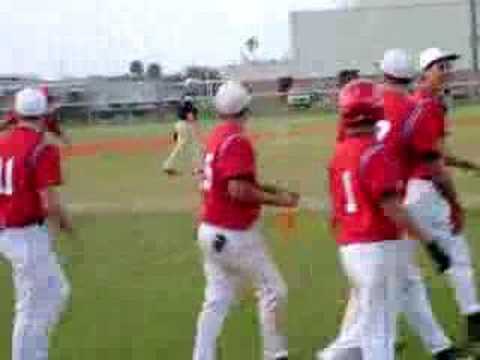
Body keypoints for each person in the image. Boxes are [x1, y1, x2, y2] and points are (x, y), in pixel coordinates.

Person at [319, 50, 456, 360]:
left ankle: (440, 346)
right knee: (378, 331)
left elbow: (339, 197)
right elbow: (394, 205)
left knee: (377, 315)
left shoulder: (341, 151)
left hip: (351, 244)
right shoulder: (378, 148)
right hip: (378, 242)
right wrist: (431, 242)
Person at [193, 81, 299, 360]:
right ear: (245, 108)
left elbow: (234, 181)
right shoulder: (237, 140)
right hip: (234, 233)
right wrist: (280, 201)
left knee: (216, 299)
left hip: (209, 229)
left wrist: (271, 189)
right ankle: (274, 354)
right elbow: (238, 189)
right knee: (273, 291)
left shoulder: (216, 137)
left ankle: (202, 356)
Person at [410, 47, 480, 344]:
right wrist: (454, 203)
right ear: (425, 72)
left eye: (447, 65)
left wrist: (466, 164)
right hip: (423, 190)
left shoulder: (414, 102)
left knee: (395, 270)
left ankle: (359, 338)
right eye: (439, 66)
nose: (446, 70)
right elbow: (435, 160)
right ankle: (474, 321)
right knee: (458, 256)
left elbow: (436, 153)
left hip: (404, 193)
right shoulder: (430, 106)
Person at [0, 88, 73, 360]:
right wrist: (64, 223)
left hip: (10, 229)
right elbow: (49, 202)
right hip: (25, 233)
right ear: (44, 114)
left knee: (46, 295)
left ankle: (32, 353)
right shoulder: (42, 148)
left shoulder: (3, 142)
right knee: (38, 302)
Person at [1, 85, 70, 145]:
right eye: (47, 100)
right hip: (19, 142)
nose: (50, 103)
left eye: (49, 100)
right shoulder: (18, 113)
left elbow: (56, 130)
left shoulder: (49, 116)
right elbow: (4, 125)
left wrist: (65, 139)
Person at [162, 95, 203, 176]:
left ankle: (168, 165)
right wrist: (196, 127)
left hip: (179, 125)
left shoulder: (181, 107)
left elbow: (182, 118)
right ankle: (198, 168)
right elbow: (190, 118)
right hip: (186, 125)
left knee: (181, 147)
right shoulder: (190, 107)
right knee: (194, 146)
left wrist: (176, 133)